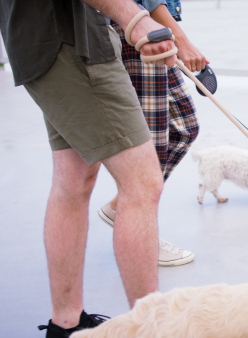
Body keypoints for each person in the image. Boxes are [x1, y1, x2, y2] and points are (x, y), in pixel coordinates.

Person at [0, 0, 177, 336]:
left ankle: (66, 323)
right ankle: (151, 329)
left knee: (74, 179)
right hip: (70, 40)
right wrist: (133, 17)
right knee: (142, 184)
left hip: (41, 40)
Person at [98, 0, 209, 267]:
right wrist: (180, 38)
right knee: (153, 144)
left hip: (153, 27)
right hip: (136, 27)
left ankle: (122, 208)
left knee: (185, 127)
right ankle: (143, 235)